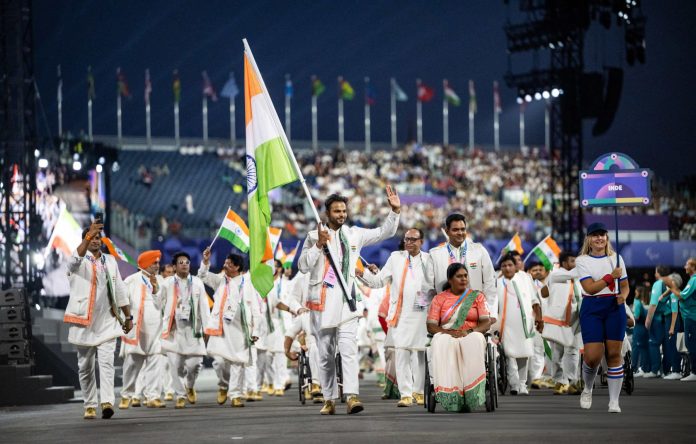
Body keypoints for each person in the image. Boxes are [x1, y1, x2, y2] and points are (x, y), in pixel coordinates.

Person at [298, 187, 400, 415]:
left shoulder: (355, 234)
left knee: (348, 349)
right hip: (322, 304)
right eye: (337, 211)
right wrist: (318, 246)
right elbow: (303, 266)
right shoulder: (314, 236)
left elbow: (385, 232)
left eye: (344, 211)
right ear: (327, 213)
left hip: (348, 303)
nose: (341, 215)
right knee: (325, 354)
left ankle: (352, 396)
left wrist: (395, 211)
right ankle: (329, 399)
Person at [63, 221, 132, 419]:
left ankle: (107, 402)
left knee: (107, 363)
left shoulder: (110, 261)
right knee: (85, 367)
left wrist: (128, 316)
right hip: (83, 321)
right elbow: (72, 262)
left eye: (97, 237)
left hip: (107, 321)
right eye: (92, 237)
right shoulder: (79, 260)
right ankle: (90, 405)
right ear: (85, 239)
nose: (95, 240)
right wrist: (87, 236)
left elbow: (119, 289)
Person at [358, 228, 430, 407]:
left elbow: (433, 285)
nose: (409, 242)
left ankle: (419, 392)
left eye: (413, 239)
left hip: (421, 312)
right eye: (407, 239)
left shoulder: (430, 259)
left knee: (420, 353)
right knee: (402, 352)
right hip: (400, 313)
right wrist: (363, 274)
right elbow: (378, 281)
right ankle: (405, 394)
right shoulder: (396, 258)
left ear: (421, 241)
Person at [575, 223, 629, 413]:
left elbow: (625, 286)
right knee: (592, 357)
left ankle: (614, 402)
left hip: (614, 307)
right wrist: (609, 277)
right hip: (592, 307)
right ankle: (587, 389)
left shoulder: (617, 258)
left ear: (607, 238)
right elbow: (589, 288)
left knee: (615, 355)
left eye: (602, 235)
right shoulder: (581, 260)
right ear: (588, 239)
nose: (599, 238)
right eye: (595, 235)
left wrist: (623, 296)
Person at [426, 263, 491, 412]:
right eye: (459, 276)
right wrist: (447, 332)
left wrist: (468, 332)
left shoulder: (477, 296)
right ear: (450, 280)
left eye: (465, 276)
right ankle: (451, 393)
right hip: (447, 333)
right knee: (441, 341)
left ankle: (471, 393)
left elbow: (486, 322)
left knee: (474, 340)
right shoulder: (439, 299)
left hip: (470, 332)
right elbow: (431, 326)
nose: (463, 279)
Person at [205, 253, 262, 407]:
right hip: (222, 328)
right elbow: (203, 275)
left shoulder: (249, 283)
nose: (225, 265)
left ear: (237, 267)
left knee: (238, 362)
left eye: (229, 263)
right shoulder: (220, 280)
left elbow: (256, 309)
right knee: (219, 362)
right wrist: (205, 261)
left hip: (240, 329)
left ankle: (236, 395)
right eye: (225, 262)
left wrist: (255, 331)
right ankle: (224, 385)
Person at [424, 213, 496, 321]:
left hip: (475, 313)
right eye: (455, 230)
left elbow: (490, 283)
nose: (460, 233)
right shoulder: (435, 254)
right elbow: (426, 288)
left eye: (463, 229)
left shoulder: (479, 251)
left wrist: (491, 312)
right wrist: (427, 316)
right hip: (445, 315)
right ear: (447, 231)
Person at [160, 251, 210, 409]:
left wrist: (207, 328)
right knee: (175, 365)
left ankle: (189, 385)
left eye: (187, 262)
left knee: (194, 365)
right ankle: (180, 395)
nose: (184, 264)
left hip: (193, 330)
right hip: (174, 330)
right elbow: (158, 303)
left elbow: (204, 306)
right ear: (174, 267)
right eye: (180, 262)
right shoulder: (167, 283)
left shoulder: (197, 283)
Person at [119, 250, 166, 409]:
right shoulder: (131, 280)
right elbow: (122, 302)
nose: (157, 266)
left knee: (155, 362)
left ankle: (153, 397)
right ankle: (126, 395)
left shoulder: (160, 281)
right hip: (137, 328)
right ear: (146, 264)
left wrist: (155, 289)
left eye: (158, 263)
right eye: (155, 263)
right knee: (132, 363)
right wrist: (124, 322)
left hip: (155, 328)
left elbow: (162, 305)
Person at [494, 253, 543, 395]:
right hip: (505, 323)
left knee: (524, 354)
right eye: (504, 266)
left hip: (524, 322)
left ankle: (522, 385)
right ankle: (514, 384)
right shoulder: (497, 282)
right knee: (509, 354)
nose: (507, 268)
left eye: (510, 265)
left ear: (516, 266)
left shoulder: (525, 278)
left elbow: (535, 300)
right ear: (501, 268)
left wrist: (539, 318)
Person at [540, 252, 582, 395]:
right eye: (572, 261)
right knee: (558, 352)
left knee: (573, 350)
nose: (575, 263)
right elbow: (543, 293)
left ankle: (572, 381)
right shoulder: (556, 275)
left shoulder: (579, 279)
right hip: (559, 319)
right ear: (564, 263)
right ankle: (559, 380)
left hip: (576, 317)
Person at [645, 265, 682, 380]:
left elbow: (654, 304)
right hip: (666, 317)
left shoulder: (659, 284)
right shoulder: (669, 289)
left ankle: (673, 370)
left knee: (669, 344)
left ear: (657, 273)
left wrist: (648, 320)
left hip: (667, 318)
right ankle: (667, 370)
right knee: (668, 345)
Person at [663, 257, 696, 382]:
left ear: (693, 267)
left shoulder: (694, 280)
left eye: (687, 264)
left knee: (691, 344)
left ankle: (694, 371)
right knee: (689, 343)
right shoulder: (691, 280)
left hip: (691, 317)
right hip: (689, 317)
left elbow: (682, 296)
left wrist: (671, 287)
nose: (684, 267)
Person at [631, 286, 652, 376]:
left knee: (638, 348)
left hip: (639, 327)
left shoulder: (637, 302)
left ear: (638, 293)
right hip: (644, 328)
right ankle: (644, 368)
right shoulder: (646, 303)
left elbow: (636, 316)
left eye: (636, 292)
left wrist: (629, 316)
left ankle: (637, 368)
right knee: (644, 348)